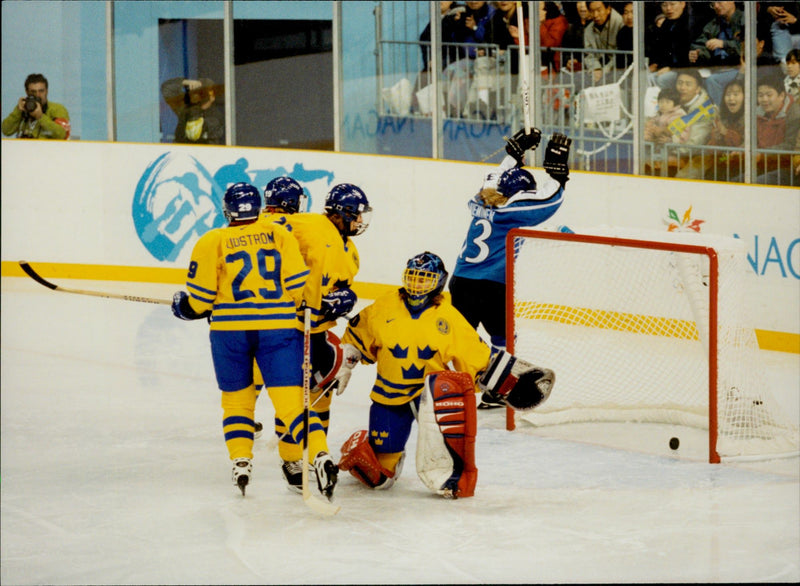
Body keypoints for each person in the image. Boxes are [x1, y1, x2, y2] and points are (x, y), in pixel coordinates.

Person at [333, 251, 555, 498]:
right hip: (388, 396)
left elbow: (475, 355)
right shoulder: (383, 306)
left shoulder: (448, 316)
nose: (417, 284)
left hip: (430, 398)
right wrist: (345, 363)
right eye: (413, 277)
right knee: (379, 478)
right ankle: (371, 445)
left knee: (446, 459)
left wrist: (508, 381)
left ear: (438, 281)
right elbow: (356, 338)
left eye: (424, 278)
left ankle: (448, 475)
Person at [170, 182, 338, 500]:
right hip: (278, 330)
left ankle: (241, 462)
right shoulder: (280, 236)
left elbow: (201, 301)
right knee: (291, 404)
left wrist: (183, 307)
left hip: (229, 332)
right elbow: (299, 287)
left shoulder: (211, 241)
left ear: (226, 211)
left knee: (237, 401)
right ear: (260, 207)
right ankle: (319, 454)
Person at [258, 177, 371, 494]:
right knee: (294, 396)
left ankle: (316, 453)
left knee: (323, 388)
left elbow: (340, 287)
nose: (361, 221)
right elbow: (276, 225)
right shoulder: (313, 225)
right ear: (338, 213)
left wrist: (341, 299)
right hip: (288, 328)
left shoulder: (350, 249)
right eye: (356, 214)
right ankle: (292, 458)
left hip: (318, 331)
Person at [449, 128, 571, 408]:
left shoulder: (481, 199)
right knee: (504, 338)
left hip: (461, 281)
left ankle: (449, 390)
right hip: (491, 286)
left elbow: (493, 177)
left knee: (459, 338)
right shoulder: (511, 212)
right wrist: (558, 175)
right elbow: (550, 200)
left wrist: (513, 155)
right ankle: (495, 392)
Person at [676, 79, 744, 180]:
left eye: (735, 94)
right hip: (720, 160)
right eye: (728, 94)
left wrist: (726, 132)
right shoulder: (721, 116)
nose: (731, 98)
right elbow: (713, 149)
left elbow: (742, 145)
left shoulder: (750, 119)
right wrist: (716, 138)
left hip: (739, 164)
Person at [752, 72, 800, 183]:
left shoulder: (794, 114)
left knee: (756, 182)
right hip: (762, 164)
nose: (764, 99)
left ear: (782, 96)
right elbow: (751, 139)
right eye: (760, 95)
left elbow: (790, 146)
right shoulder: (756, 113)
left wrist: (762, 154)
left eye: (769, 95)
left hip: (786, 168)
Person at [646, 1, 701, 90]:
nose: (668, 8)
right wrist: (656, 64)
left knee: (662, 79)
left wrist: (671, 68)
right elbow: (661, 50)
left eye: (672, 4)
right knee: (645, 78)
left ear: (682, 4)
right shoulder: (666, 24)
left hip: (686, 69)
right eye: (664, 5)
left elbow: (688, 53)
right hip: (668, 67)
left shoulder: (691, 23)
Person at [2, 73, 70, 139]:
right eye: (33, 92)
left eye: (41, 91)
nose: (37, 95)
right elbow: (6, 131)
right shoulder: (23, 108)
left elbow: (63, 135)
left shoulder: (57, 109)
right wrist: (18, 111)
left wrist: (40, 117)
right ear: (27, 92)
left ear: (47, 91)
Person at [160, 77, 224, 144]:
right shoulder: (186, 107)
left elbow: (211, 140)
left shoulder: (215, 116)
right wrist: (187, 82)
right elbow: (166, 88)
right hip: (180, 151)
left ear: (212, 96)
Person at [644, 86, 689, 159]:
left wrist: (670, 141)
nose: (663, 105)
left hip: (676, 154)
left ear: (675, 103)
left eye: (667, 102)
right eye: (661, 102)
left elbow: (684, 135)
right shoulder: (658, 114)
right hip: (659, 153)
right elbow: (649, 129)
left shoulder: (679, 115)